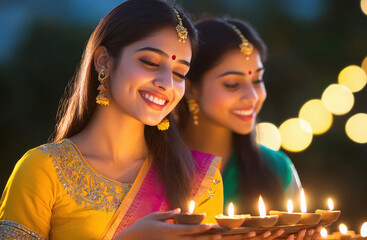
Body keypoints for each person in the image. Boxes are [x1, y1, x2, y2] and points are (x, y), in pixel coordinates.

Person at [0, 1, 224, 239]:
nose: (167, 84)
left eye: (179, 73)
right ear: (104, 61)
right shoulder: (42, 170)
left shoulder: (198, 182)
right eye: (150, 62)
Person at [178, 18, 320, 239]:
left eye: (258, 80)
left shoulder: (277, 168)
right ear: (189, 89)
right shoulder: (153, 164)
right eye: (232, 84)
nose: (252, 97)